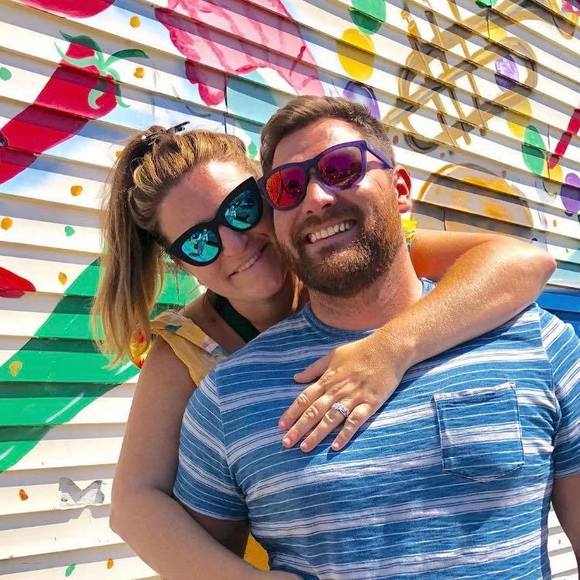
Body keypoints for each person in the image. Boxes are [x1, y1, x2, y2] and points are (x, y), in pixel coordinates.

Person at [93, 120, 556, 578]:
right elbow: (134, 503)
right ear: (180, 262)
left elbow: (525, 262)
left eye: (241, 208)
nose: (234, 244)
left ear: (272, 193)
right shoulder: (187, 348)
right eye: (199, 242)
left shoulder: (350, 258)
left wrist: (387, 350)